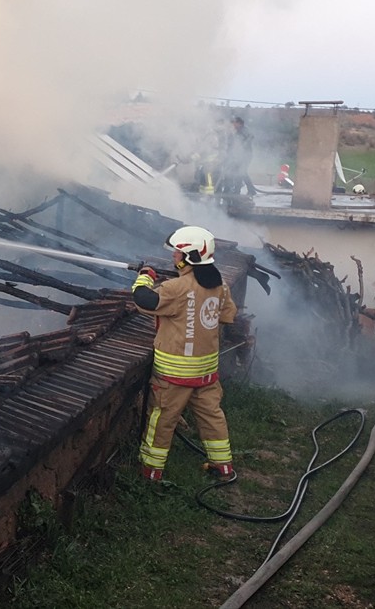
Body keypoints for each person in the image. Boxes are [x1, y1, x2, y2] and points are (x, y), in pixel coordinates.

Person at [131, 225, 238, 481]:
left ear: (189, 256)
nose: (173, 256)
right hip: (206, 373)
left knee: (162, 420)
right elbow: (227, 316)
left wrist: (144, 277)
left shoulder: (175, 288)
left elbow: (144, 301)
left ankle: (151, 471)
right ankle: (222, 466)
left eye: (177, 253)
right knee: (212, 417)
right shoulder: (221, 286)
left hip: (173, 377)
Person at [222, 116, 257, 196]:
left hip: (245, 155)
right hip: (239, 155)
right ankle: (245, 189)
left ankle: (240, 190)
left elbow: (251, 136)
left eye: (234, 123)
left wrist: (243, 145)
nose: (233, 125)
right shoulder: (237, 131)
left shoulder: (244, 130)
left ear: (239, 123)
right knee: (240, 172)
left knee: (241, 172)